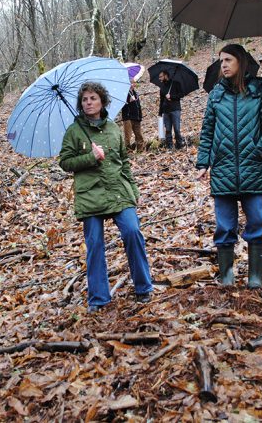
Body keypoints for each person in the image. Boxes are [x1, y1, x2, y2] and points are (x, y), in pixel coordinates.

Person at [59, 82, 153, 312]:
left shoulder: (113, 128)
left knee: (132, 232)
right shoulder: (74, 131)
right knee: (95, 246)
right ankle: (99, 298)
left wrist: (133, 190)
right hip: (90, 195)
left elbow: (124, 162)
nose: (88, 103)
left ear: (102, 101)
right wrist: (90, 157)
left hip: (118, 191)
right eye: (84, 99)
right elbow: (65, 163)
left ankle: (143, 287)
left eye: (93, 98)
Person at [196, 44, 262, 288]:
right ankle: (227, 276)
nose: (223, 65)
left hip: (253, 168)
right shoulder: (216, 94)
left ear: (241, 62)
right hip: (223, 169)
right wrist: (203, 161)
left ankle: (255, 277)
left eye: (228, 60)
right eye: (221, 61)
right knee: (224, 226)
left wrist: (260, 149)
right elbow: (207, 131)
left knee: (256, 222)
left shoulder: (258, 90)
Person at [158, 70, 183, 149]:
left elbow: (181, 94)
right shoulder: (162, 88)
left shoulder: (176, 84)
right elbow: (161, 101)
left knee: (176, 129)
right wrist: (160, 113)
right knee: (168, 130)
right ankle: (169, 146)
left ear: (166, 75)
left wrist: (171, 96)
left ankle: (179, 145)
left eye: (161, 76)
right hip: (166, 111)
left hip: (175, 109)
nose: (160, 78)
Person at [121, 75, 145, 151]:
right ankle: (128, 152)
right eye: (130, 83)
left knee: (139, 135)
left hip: (136, 117)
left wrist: (140, 116)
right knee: (128, 136)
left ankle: (140, 150)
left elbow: (138, 106)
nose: (132, 84)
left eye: (133, 83)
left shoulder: (135, 93)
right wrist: (128, 100)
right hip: (128, 117)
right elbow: (122, 105)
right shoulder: (124, 94)